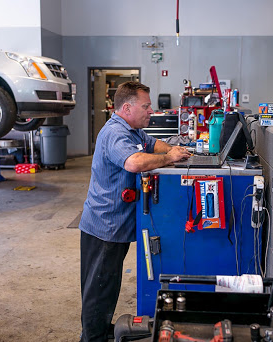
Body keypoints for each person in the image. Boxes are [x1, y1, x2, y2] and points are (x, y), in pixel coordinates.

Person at [78, 81, 190, 342]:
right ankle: (92, 338)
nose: (151, 111)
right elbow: (134, 162)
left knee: (107, 286)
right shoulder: (116, 133)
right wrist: (169, 159)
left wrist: (174, 149)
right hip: (105, 226)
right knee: (99, 290)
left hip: (116, 224)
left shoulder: (134, 130)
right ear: (127, 108)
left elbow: (153, 144)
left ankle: (98, 332)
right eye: (146, 106)